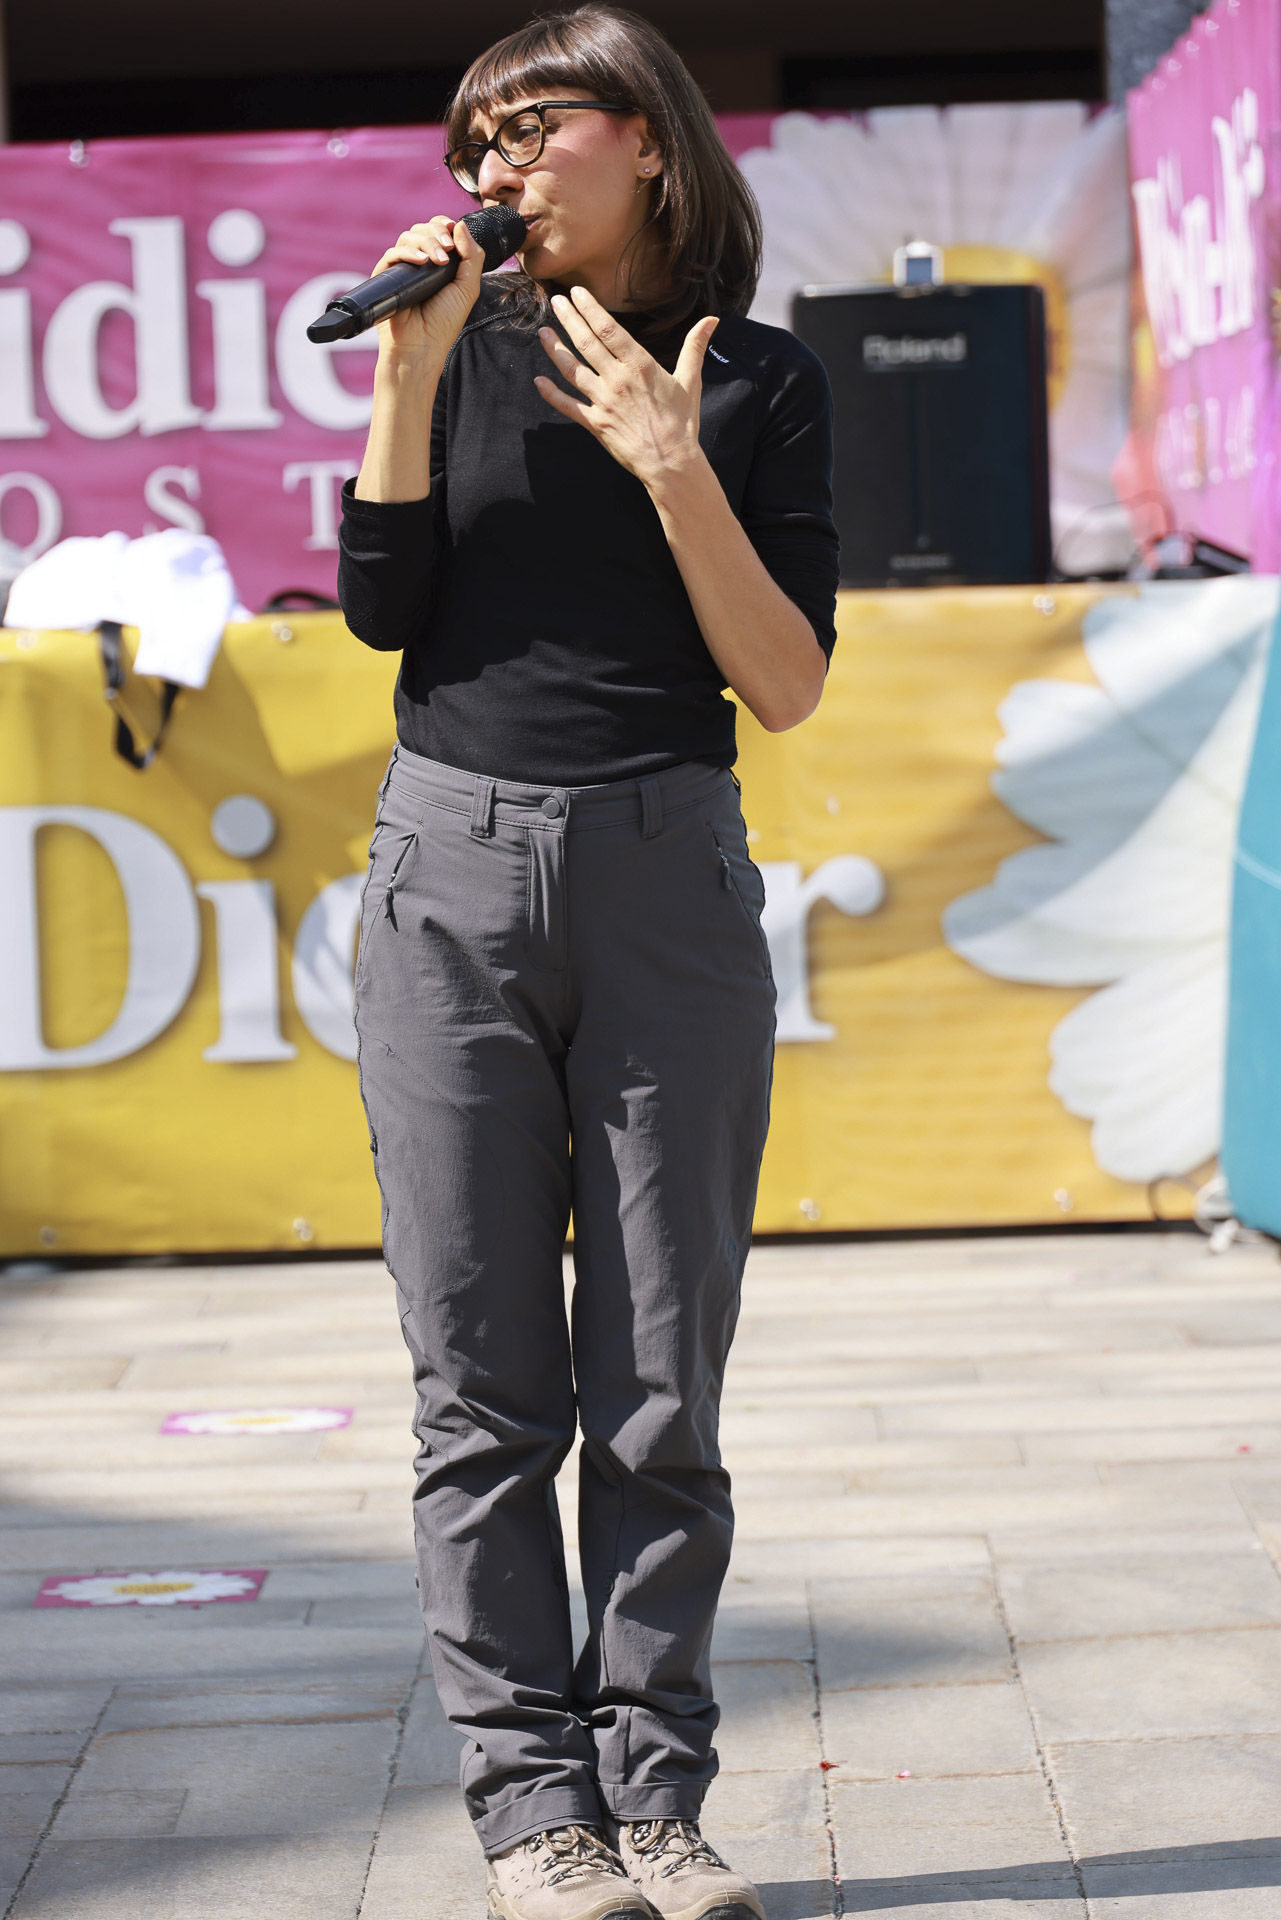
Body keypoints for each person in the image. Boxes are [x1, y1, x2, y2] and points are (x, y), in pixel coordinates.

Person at [337, 9, 838, 1917]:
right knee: (481, 1389)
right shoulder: (453, 346)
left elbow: (781, 684)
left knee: (658, 1387)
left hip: (663, 875)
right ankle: (530, 1813)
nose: (497, 169)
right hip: (450, 870)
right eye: (476, 142)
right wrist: (406, 376)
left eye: (532, 128)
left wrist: (668, 461)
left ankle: (656, 1801)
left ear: (645, 139)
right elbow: (383, 607)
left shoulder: (756, 377)